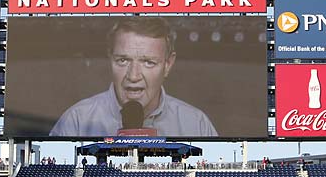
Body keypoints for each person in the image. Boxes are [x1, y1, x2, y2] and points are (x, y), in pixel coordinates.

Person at [49, 17, 218, 137]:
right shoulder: (76, 121)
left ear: (168, 64)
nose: (133, 76)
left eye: (148, 62)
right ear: (110, 58)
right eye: (123, 60)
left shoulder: (197, 124)